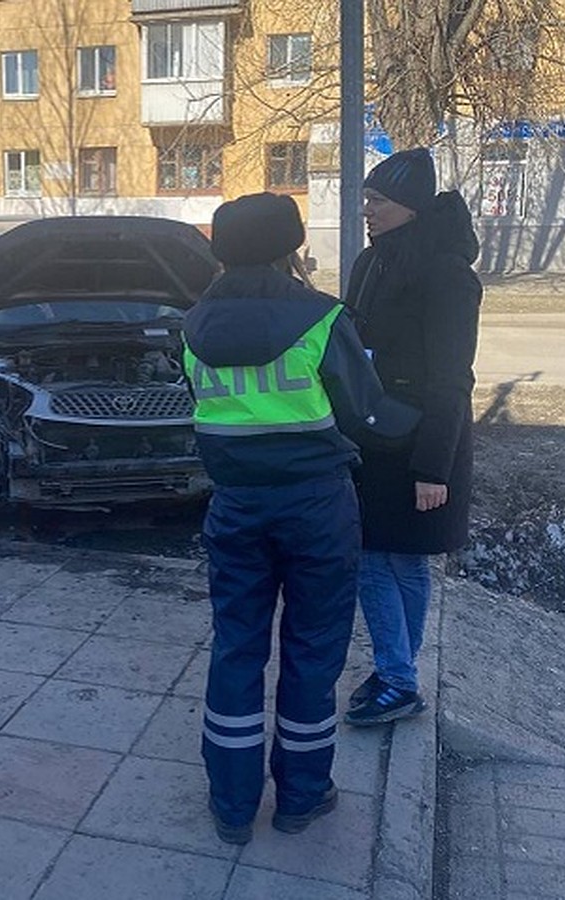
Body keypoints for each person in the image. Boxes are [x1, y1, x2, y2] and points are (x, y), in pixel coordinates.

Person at [183, 192, 418, 844]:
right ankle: (301, 797)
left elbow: (200, 410)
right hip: (315, 507)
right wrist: (421, 426)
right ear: (290, 248)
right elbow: (363, 414)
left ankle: (231, 806)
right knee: (313, 653)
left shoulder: (192, 326)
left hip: (234, 506)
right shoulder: (320, 318)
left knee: (235, 649)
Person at [342, 148, 482, 726]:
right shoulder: (371, 262)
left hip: (420, 439)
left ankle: (398, 678)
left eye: (378, 200)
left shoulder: (449, 276)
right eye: (367, 199)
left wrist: (433, 468)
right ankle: (398, 671)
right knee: (394, 560)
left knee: (382, 559)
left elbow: (452, 379)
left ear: (411, 208)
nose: (367, 209)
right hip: (374, 434)